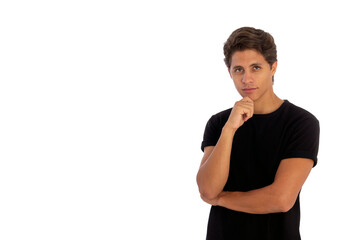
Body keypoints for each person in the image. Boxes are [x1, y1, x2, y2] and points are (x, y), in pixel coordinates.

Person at [196, 27, 320, 240]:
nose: (246, 79)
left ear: (273, 68)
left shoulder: (300, 122)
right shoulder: (218, 123)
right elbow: (208, 190)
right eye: (238, 70)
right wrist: (229, 129)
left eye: (255, 68)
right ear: (229, 73)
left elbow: (280, 199)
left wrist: (221, 199)